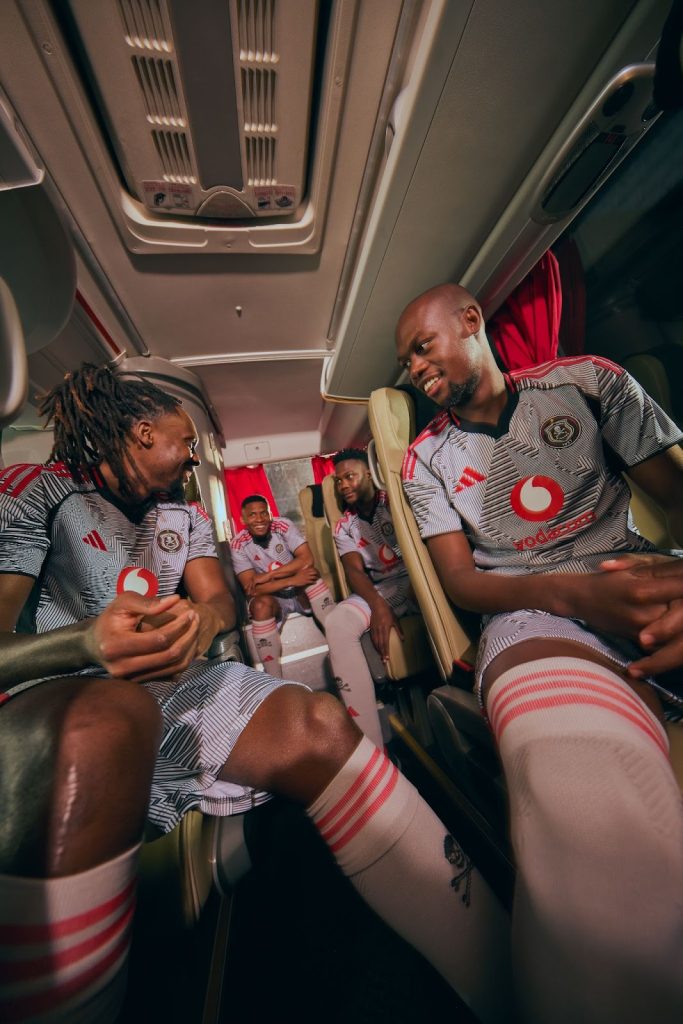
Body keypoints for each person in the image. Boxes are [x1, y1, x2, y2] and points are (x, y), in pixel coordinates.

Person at [0, 364, 514, 1024]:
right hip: (61, 691)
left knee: (319, 724)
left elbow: (219, 599)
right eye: (186, 444)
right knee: (109, 719)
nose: (193, 459)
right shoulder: (36, 492)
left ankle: (503, 975)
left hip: (170, 683)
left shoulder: (184, 515)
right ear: (142, 432)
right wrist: (84, 644)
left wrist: (200, 622)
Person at [396, 283, 683, 1024]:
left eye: (422, 347)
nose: (415, 369)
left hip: (630, 568)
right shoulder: (425, 459)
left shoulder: (588, 382)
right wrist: (572, 596)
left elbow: (677, 496)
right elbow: (462, 582)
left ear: (470, 321)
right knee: (577, 777)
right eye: (406, 363)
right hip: (525, 609)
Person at [324, 449, 418, 748]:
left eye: (349, 477)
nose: (343, 485)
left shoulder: (395, 501)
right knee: (337, 622)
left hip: (415, 580)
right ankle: (373, 749)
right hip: (380, 588)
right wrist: (378, 606)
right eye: (338, 481)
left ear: (368, 474)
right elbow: (354, 570)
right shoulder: (344, 525)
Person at [230, 494, 335, 676]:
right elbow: (251, 589)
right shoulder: (238, 544)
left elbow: (306, 559)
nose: (260, 519)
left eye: (264, 513)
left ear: (270, 514)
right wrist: (290, 580)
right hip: (275, 599)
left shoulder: (283, 525)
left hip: (299, 593)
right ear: (243, 520)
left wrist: (270, 575)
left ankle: (338, 643)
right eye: (253, 515)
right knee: (259, 605)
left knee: (311, 575)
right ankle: (274, 679)